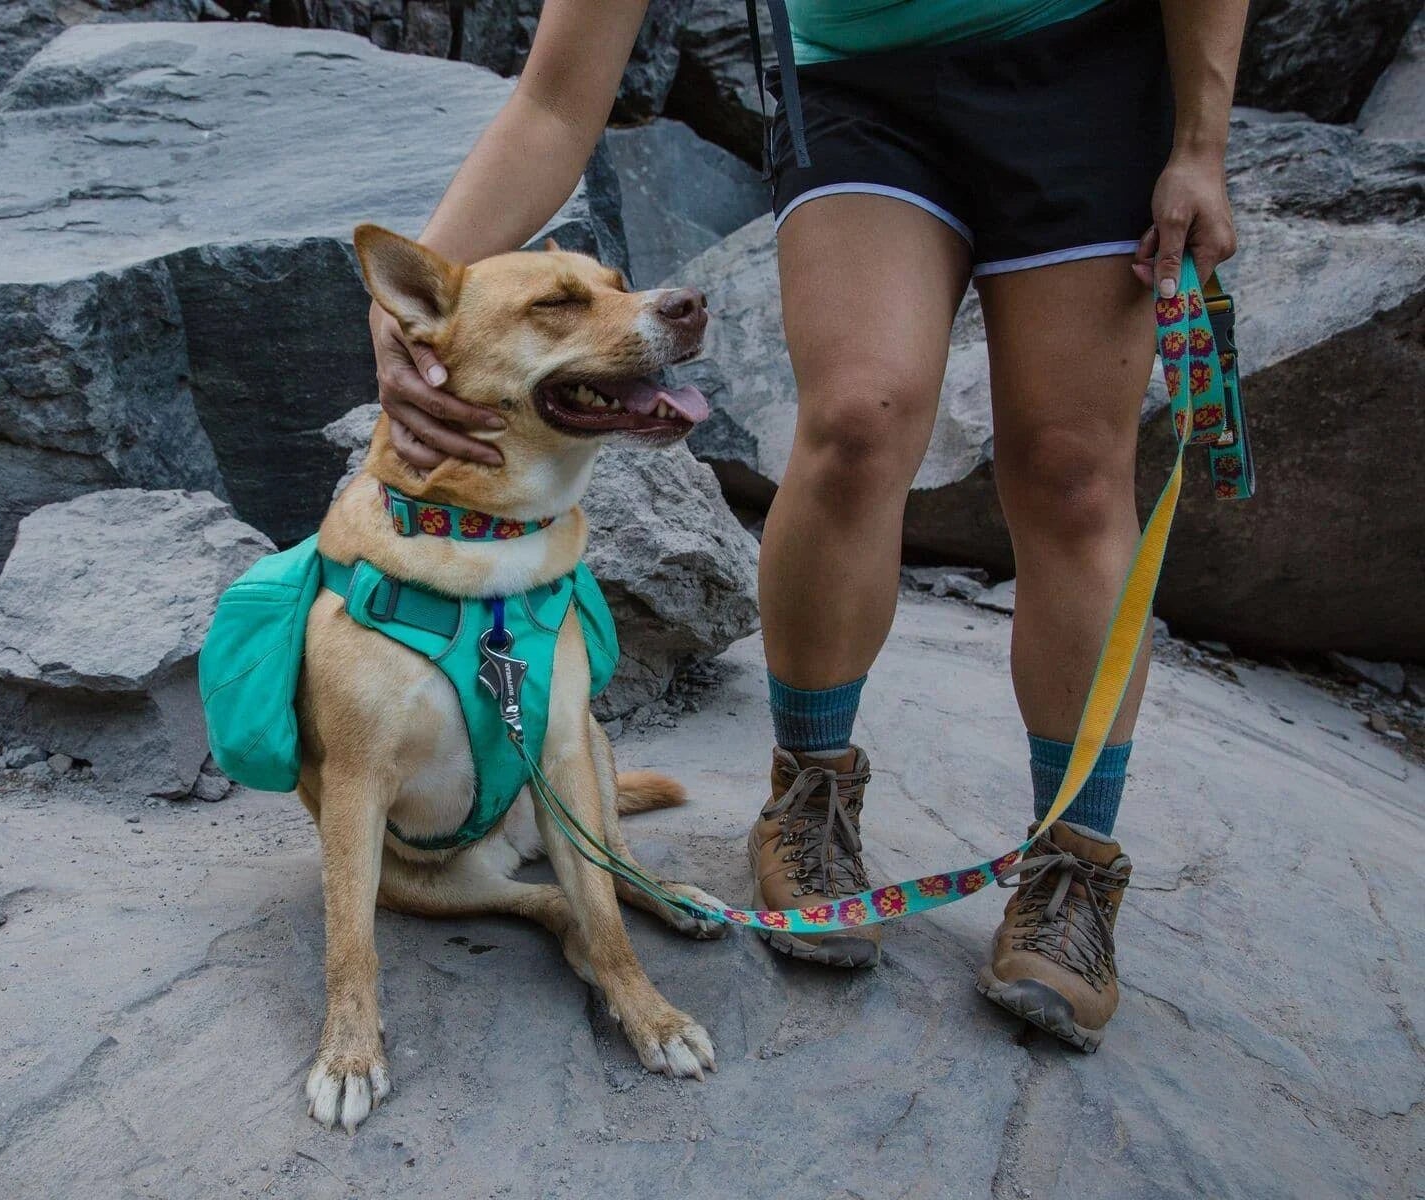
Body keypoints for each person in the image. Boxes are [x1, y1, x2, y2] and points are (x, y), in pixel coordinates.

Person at [368, 0, 1247, 1051]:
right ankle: (811, 794)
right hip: (858, 89)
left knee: (1073, 471)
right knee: (852, 424)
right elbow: (557, 103)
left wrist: (1200, 142)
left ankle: (1074, 859)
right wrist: (405, 312)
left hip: (1086, 73)